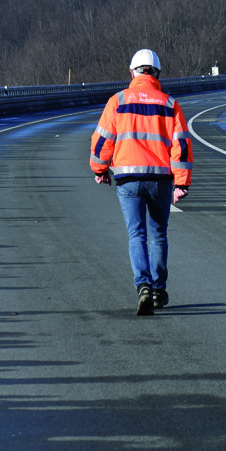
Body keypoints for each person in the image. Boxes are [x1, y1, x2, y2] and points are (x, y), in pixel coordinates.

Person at [90, 49, 193, 315]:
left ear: (132, 72)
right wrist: (182, 183)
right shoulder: (169, 104)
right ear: (157, 73)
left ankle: (143, 286)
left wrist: (100, 169)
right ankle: (159, 289)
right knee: (158, 234)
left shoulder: (118, 101)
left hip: (128, 179)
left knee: (137, 235)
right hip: (160, 179)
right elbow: (180, 145)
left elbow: (102, 140)